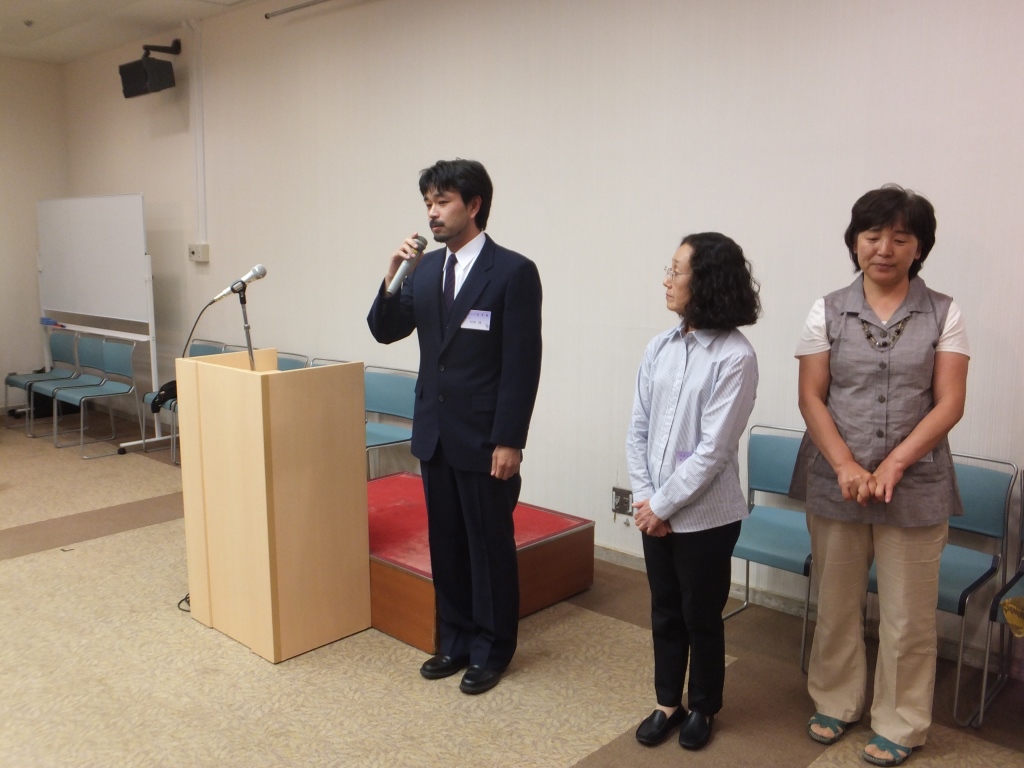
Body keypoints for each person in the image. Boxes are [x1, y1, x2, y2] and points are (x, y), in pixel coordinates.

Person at [790, 185, 969, 767]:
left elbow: (949, 403)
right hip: (834, 477)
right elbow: (812, 397)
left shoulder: (945, 312)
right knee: (836, 602)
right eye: (872, 235)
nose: (884, 248)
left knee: (907, 616)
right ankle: (836, 700)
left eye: (900, 237)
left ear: (919, 248)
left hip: (916, 484)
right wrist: (846, 464)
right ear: (854, 242)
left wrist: (893, 463)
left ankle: (901, 721)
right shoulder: (825, 309)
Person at [367, 159, 542, 695]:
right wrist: (392, 276)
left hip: (486, 438)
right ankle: (456, 640)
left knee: (488, 546)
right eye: (428, 203)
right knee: (445, 543)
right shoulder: (423, 271)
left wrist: (510, 438)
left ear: (474, 205)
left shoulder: (512, 272)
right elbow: (384, 330)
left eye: (443, 202)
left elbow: (522, 364)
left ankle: (492, 648)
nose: (433, 213)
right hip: (436, 432)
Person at [626, 232, 760, 751]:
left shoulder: (735, 356)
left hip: (706, 515)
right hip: (653, 510)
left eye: (676, 270)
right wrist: (646, 501)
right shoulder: (659, 346)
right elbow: (638, 429)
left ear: (706, 281)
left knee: (700, 614)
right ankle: (668, 702)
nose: (667, 280)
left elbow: (713, 451)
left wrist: (660, 506)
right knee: (664, 609)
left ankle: (703, 705)